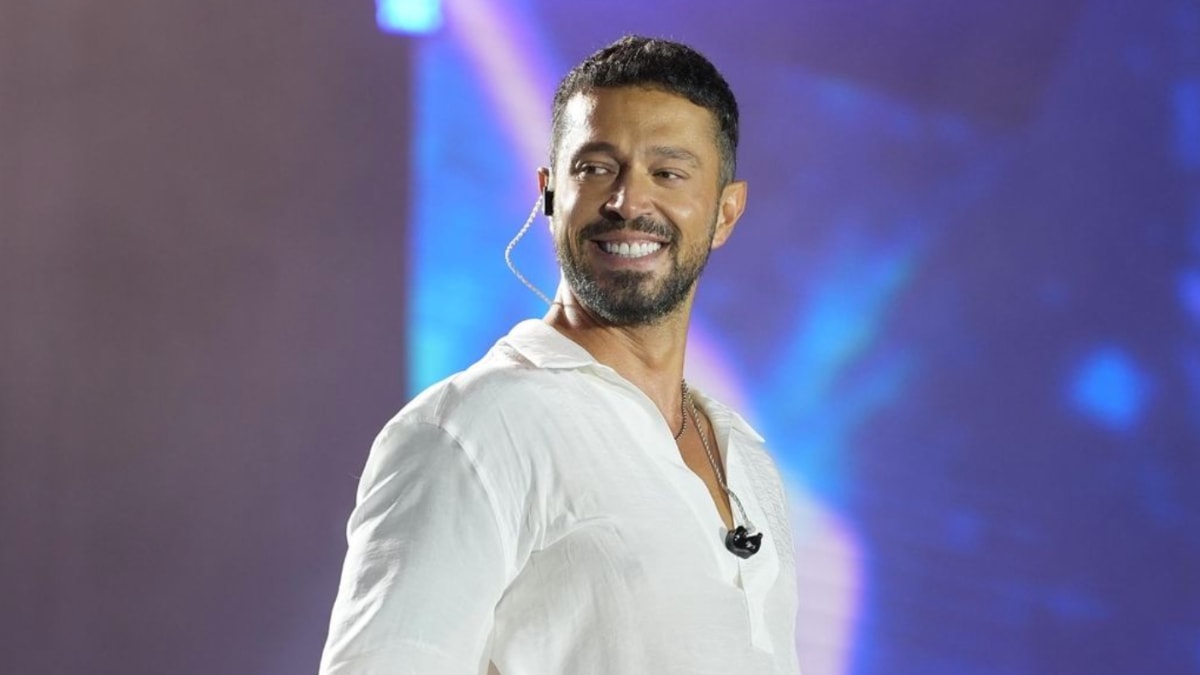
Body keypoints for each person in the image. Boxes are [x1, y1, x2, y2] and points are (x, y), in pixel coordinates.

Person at [319, 35, 800, 675]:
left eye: (668, 173)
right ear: (548, 192)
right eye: (596, 168)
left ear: (725, 212)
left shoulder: (747, 460)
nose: (628, 202)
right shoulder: (470, 431)